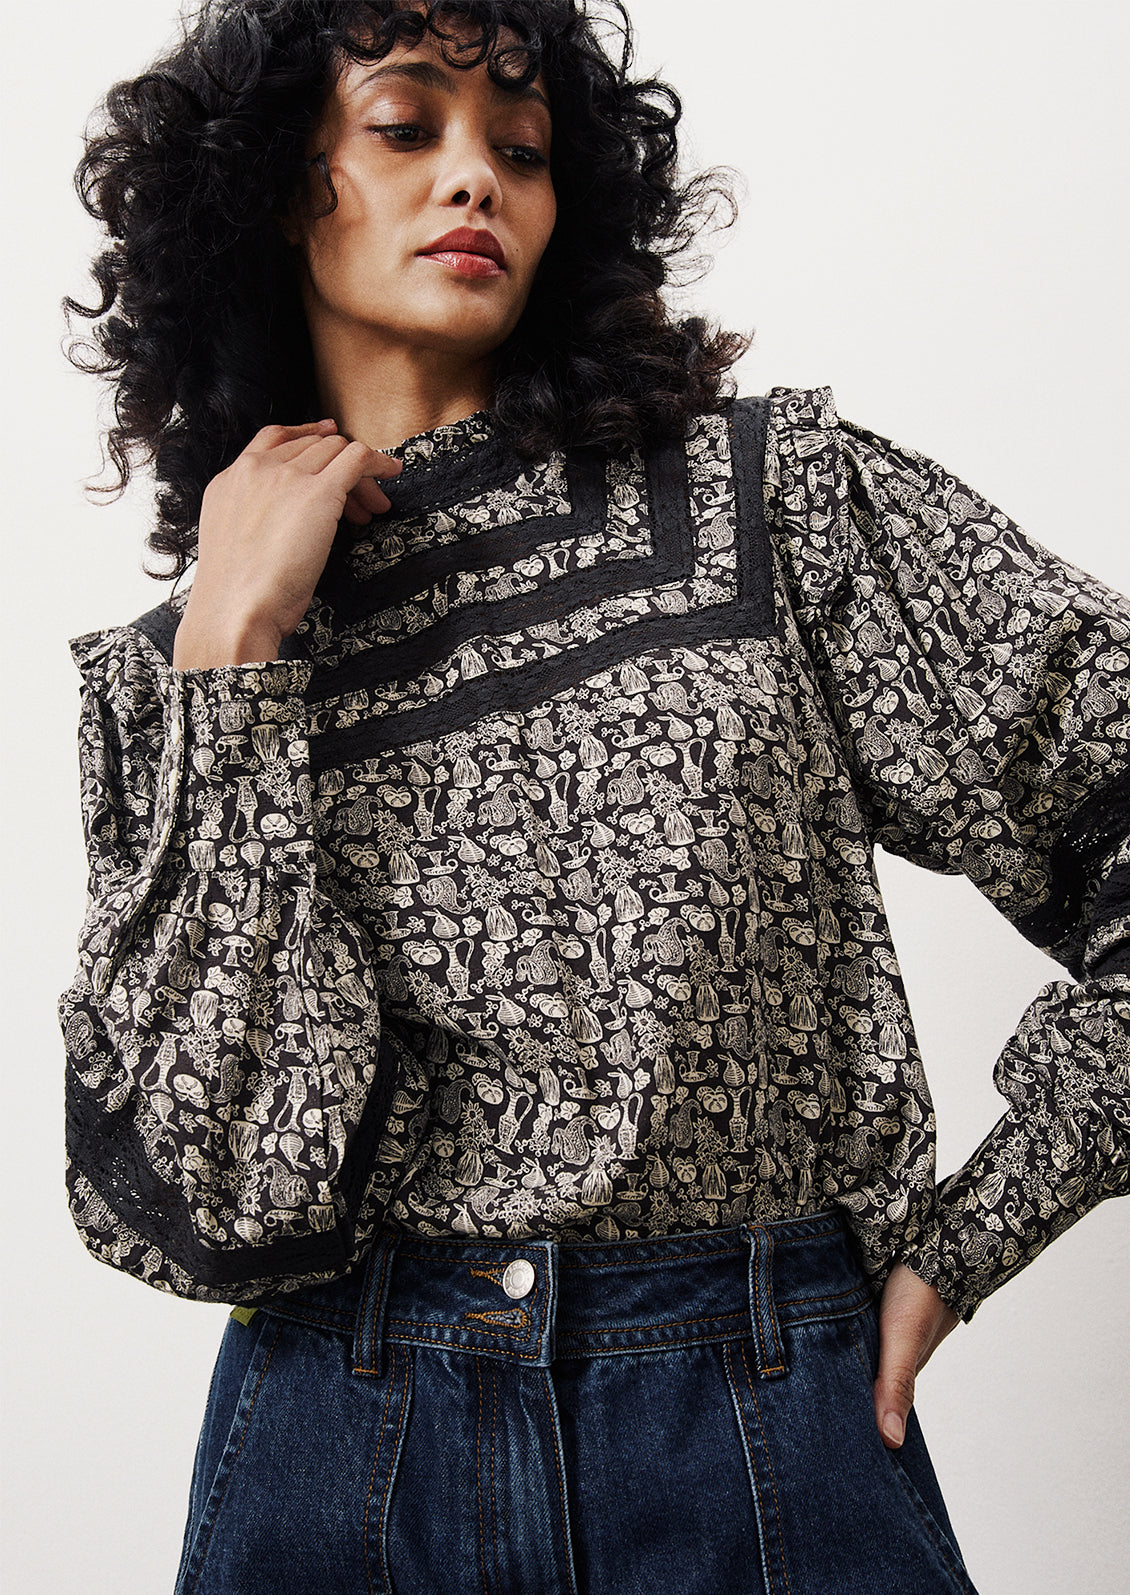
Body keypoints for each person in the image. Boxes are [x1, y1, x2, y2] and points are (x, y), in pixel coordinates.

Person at [58, 1, 1129, 1591]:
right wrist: (233, 657)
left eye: (524, 147)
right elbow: (215, 1207)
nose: (476, 179)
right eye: (406, 126)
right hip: (340, 1451)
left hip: (758, 1419)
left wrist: (972, 1237)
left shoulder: (772, 504)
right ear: (274, 186)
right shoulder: (186, 669)